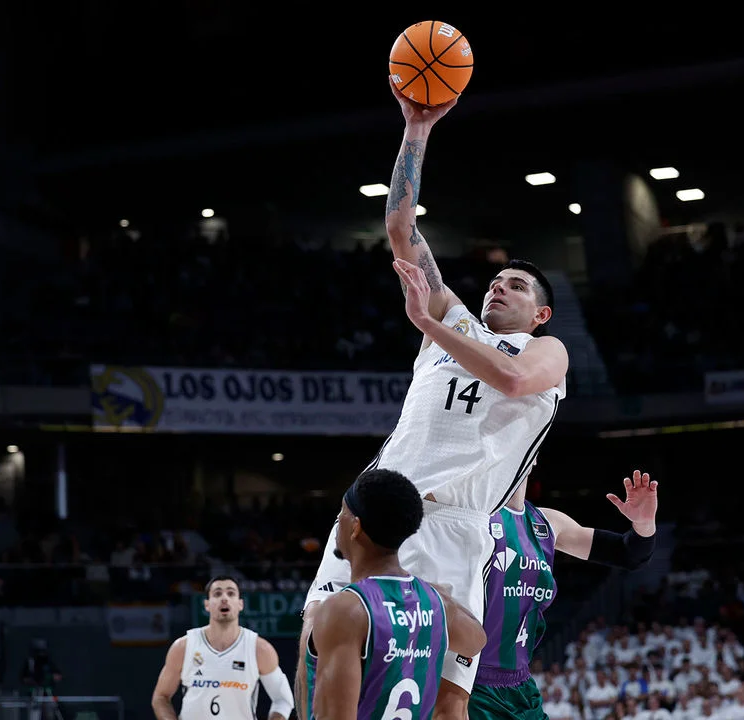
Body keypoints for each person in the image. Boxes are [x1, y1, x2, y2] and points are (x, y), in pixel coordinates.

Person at [299, 80, 570, 717]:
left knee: (448, 704)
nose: (498, 289)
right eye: (496, 281)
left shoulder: (546, 352)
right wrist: (416, 128)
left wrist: (429, 325)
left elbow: (512, 383)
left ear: (543, 312)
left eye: (516, 286)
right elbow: (399, 226)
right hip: (376, 503)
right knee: (315, 646)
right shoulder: (454, 321)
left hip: (454, 525)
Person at [467, 470, 659, 720]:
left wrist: (644, 524)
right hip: (473, 681)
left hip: (521, 685)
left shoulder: (548, 522)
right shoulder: (474, 517)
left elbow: (629, 553)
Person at [304, 469, 486, 720]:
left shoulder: (346, 609)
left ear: (355, 527)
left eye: (343, 512)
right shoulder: (436, 602)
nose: (339, 520)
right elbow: (476, 643)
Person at [151, 577, 293, 720]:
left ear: (240, 604)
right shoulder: (183, 646)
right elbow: (161, 697)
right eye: (217, 594)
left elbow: (283, 700)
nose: (224, 598)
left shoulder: (259, 649)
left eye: (231, 594)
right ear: (206, 604)